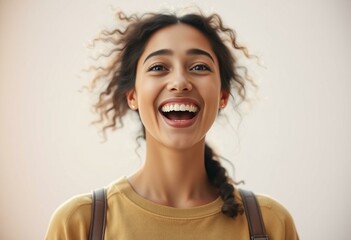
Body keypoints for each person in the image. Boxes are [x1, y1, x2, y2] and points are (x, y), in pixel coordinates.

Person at [45, 8, 299, 240]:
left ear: (222, 95)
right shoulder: (78, 224)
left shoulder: (271, 224)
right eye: (158, 67)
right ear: (132, 95)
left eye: (199, 66)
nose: (180, 81)